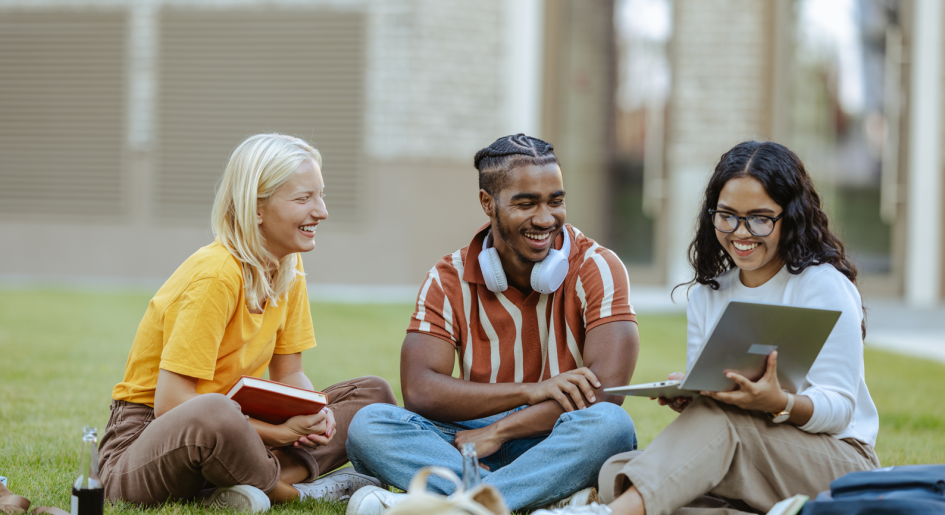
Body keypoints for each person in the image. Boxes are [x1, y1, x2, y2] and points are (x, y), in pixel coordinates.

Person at [534, 141, 881, 515]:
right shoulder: (708, 296)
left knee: (657, 474)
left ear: (790, 216)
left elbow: (841, 409)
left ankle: (609, 513)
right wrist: (695, 395)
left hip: (838, 460)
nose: (740, 232)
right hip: (751, 449)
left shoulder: (821, 285)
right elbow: (717, 415)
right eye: (727, 215)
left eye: (761, 218)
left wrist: (778, 403)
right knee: (619, 471)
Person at [98, 134, 397, 512]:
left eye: (320, 195)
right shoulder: (216, 274)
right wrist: (278, 432)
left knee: (372, 396)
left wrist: (313, 415)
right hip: (147, 442)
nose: (321, 211)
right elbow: (171, 404)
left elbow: (290, 375)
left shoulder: (287, 267)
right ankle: (295, 491)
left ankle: (236, 484)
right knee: (215, 412)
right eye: (304, 198)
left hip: (237, 425)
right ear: (257, 208)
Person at [344, 134, 642, 514]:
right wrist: (530, 391)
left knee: (610, 425)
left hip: (555, 437)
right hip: (465, 441)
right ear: (488, 203)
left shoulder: (598, 266)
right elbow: (420, 390)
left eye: (556, 201)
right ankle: (542, 495)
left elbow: (606, 391)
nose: (546, 218)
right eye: (526, 203)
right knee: (369, 424)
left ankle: (458, 503)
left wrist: (501, 430)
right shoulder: (447, 277)